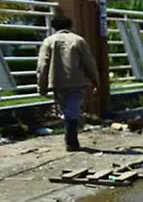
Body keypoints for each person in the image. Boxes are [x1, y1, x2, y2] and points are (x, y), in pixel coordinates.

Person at [36, 15, 99, 152]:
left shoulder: (48, 41)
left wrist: (42, 86)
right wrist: (95, 80)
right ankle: (71, 141)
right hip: (77, 81)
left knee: (67, 110)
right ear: (70, 26)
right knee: (73, 110)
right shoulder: (78, 40)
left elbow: (42, 65)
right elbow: (89, 63)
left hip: (57, 82)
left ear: (54, 27)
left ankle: (70, 139)